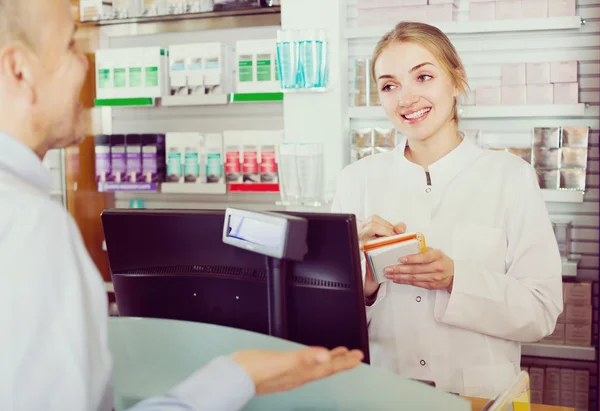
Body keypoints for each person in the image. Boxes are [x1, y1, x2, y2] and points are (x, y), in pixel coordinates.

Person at [0, 0, 363, 410]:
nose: (86, 65)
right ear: (20, 71)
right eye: (69, 46)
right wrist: (238, 377)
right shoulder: (30, 225)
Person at [331, 21, 563, 399]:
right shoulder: (355, 181)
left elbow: (541, 311)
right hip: (384, 394)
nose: (405, 98)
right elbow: (327, 322)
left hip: (481, 396)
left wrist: (456, 278)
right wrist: (364, 284)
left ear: (456, 80)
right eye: (389, 85)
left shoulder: (511, 177)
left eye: (423, 77)